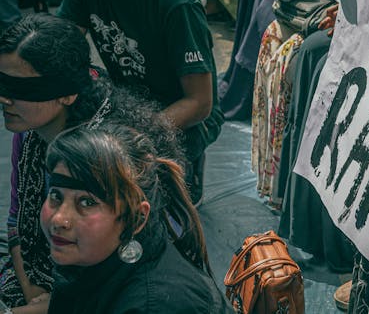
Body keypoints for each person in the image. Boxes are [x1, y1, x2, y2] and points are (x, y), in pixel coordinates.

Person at [0, 13, 183, 313]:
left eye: (21, 89)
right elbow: (17, 220)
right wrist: (34, 292)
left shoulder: (114, 153)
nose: (4, 99)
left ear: (68, 93)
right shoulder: (30, 131)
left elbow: (127, 259)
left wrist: (55, 305)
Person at [57, 0, 225, 205]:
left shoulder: (177, 2)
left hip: (183, 117)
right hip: (125, 100)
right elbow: (60, 49)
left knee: (154, 201)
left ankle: (189, 166)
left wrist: (129, 139)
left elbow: (199, 102)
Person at [41, 123, 232, 314]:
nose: (59, 220)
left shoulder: (156, 305)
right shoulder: (90, 261)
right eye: (56, 196)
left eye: (87, 203)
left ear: (138, 218)